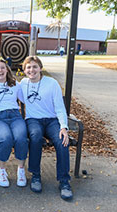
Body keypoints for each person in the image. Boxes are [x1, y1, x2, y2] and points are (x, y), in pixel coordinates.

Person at [20, 56, 72, 200]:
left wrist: (63, 127)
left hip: (51, 120)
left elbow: (60, 107)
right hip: (33, 120)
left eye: (35, 66)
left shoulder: (51, 83)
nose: (32, 70)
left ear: (40, 68)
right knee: (35, 137)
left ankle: (64, 181)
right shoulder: (23, 84)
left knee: (62, 141)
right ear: (24, 70)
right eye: (28, 67)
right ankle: (35, 175)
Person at [0, 59, 29, 188]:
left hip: (15, 116)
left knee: (21, 138)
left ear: (7, 70)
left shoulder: (15, 85)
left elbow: (25, 99)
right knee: (5, 138)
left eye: (3, 68)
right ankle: (2, 170)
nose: (0, 70)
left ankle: (21, 170)